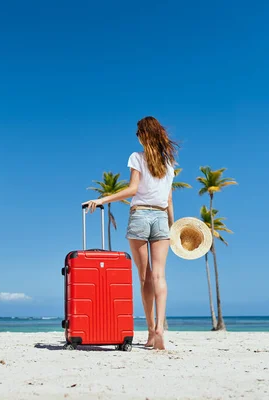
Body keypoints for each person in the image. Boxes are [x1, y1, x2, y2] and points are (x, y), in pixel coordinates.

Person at [82, 116, 177, 350]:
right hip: (162, 219)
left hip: (141, 216)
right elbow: (169, 199)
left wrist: (102, 198)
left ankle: (150, 330)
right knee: (160, 276)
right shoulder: (169, 164)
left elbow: (133, 189)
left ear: (144, 135)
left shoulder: (137, 157)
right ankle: (160, 329)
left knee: (145, 276)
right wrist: (173, 227)